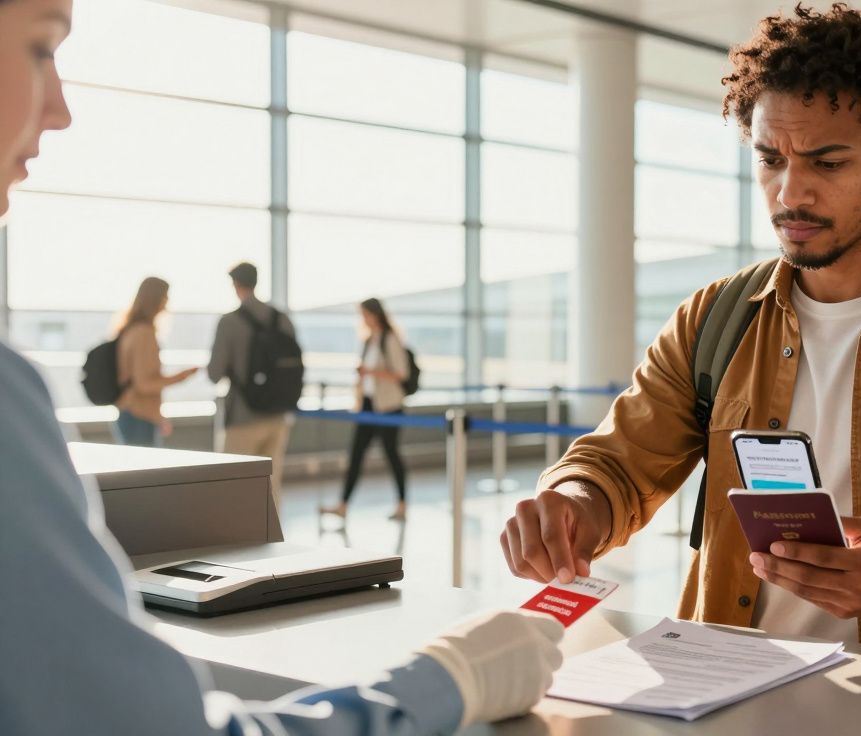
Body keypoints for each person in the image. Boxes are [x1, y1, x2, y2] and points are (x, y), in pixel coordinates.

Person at [0, 2, 564, 734]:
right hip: (280, 420)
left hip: (243, 417)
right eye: (42, 50)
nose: (62, 109)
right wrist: (449, 681)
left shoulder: (229, 325)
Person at [501, 4, 861, 660]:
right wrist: (570, 505)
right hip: (725, 694)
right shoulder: (714, 320)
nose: (791, 193)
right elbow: (614, 465)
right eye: (770, 160)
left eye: (827, 163)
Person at [208, 262, 298, 505]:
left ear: (236, 285)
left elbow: (214, 373)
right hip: (278, 415)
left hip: (243, 415)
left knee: (233, 486)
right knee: (270, 485)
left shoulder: (229, 322)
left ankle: (236, 539)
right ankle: (271, 539)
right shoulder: (282, 319)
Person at [321, 298, 410, 521]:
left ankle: (402, 504)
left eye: (365, 314)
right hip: (369, 404)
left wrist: (371, 371)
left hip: (389, 406)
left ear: (374, 314)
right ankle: (343, 505)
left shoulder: (389, 339)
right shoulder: (369, 340)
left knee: (391, 455)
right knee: (357, 454)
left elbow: (401, 373)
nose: (363, 319)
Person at [113, 276, 199, 446]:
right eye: (165, 297)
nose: (167, 302)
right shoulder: (144, 333)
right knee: (143, 471)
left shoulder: (130, 330)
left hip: (134, 413)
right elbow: (143, 384)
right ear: (155, 299)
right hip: (139, 416)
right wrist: (181, 377)